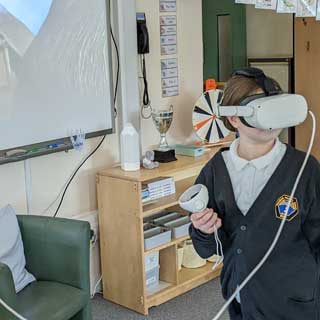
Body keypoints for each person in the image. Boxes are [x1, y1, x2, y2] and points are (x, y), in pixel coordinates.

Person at [189, 67, 320, 320]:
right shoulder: (216, 171)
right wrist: (203, 230)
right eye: (260, 109)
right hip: (242, 300)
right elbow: (209, 249)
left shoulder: (304, 170)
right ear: (234, 118)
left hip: (295, 304)